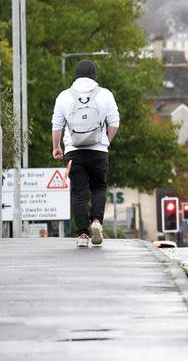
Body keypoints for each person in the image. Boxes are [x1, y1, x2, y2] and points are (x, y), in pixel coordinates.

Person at [52, 59, 120, 248]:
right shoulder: (105, 95)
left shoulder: (64, 96)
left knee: (79, 192)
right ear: (94, 76)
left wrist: (56, 147)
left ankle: (82, 234)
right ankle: (96, 220)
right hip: (98, 150)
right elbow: (115, 122)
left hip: (74, 151)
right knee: (99, 186)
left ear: (75, 76)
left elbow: (57, 126)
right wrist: (105, 141)